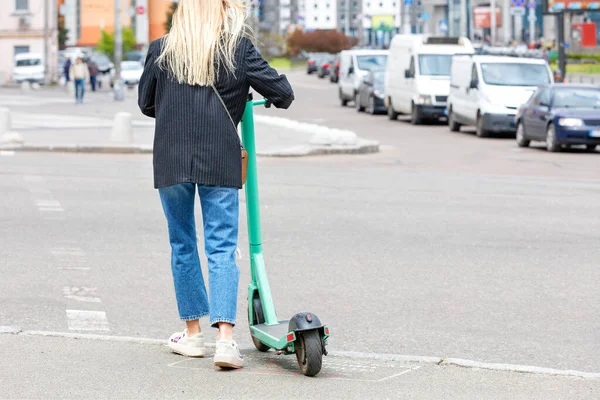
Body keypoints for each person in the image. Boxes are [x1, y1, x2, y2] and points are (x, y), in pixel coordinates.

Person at [137, 0, 294, 370]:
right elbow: (283, 93)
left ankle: (192, 336)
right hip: (219, 156)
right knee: (222, 247)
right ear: (223, 10)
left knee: (182, 243)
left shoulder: (161, 50)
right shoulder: (236, 49)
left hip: (171, 157)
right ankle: (225, 341)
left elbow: (146, 103)